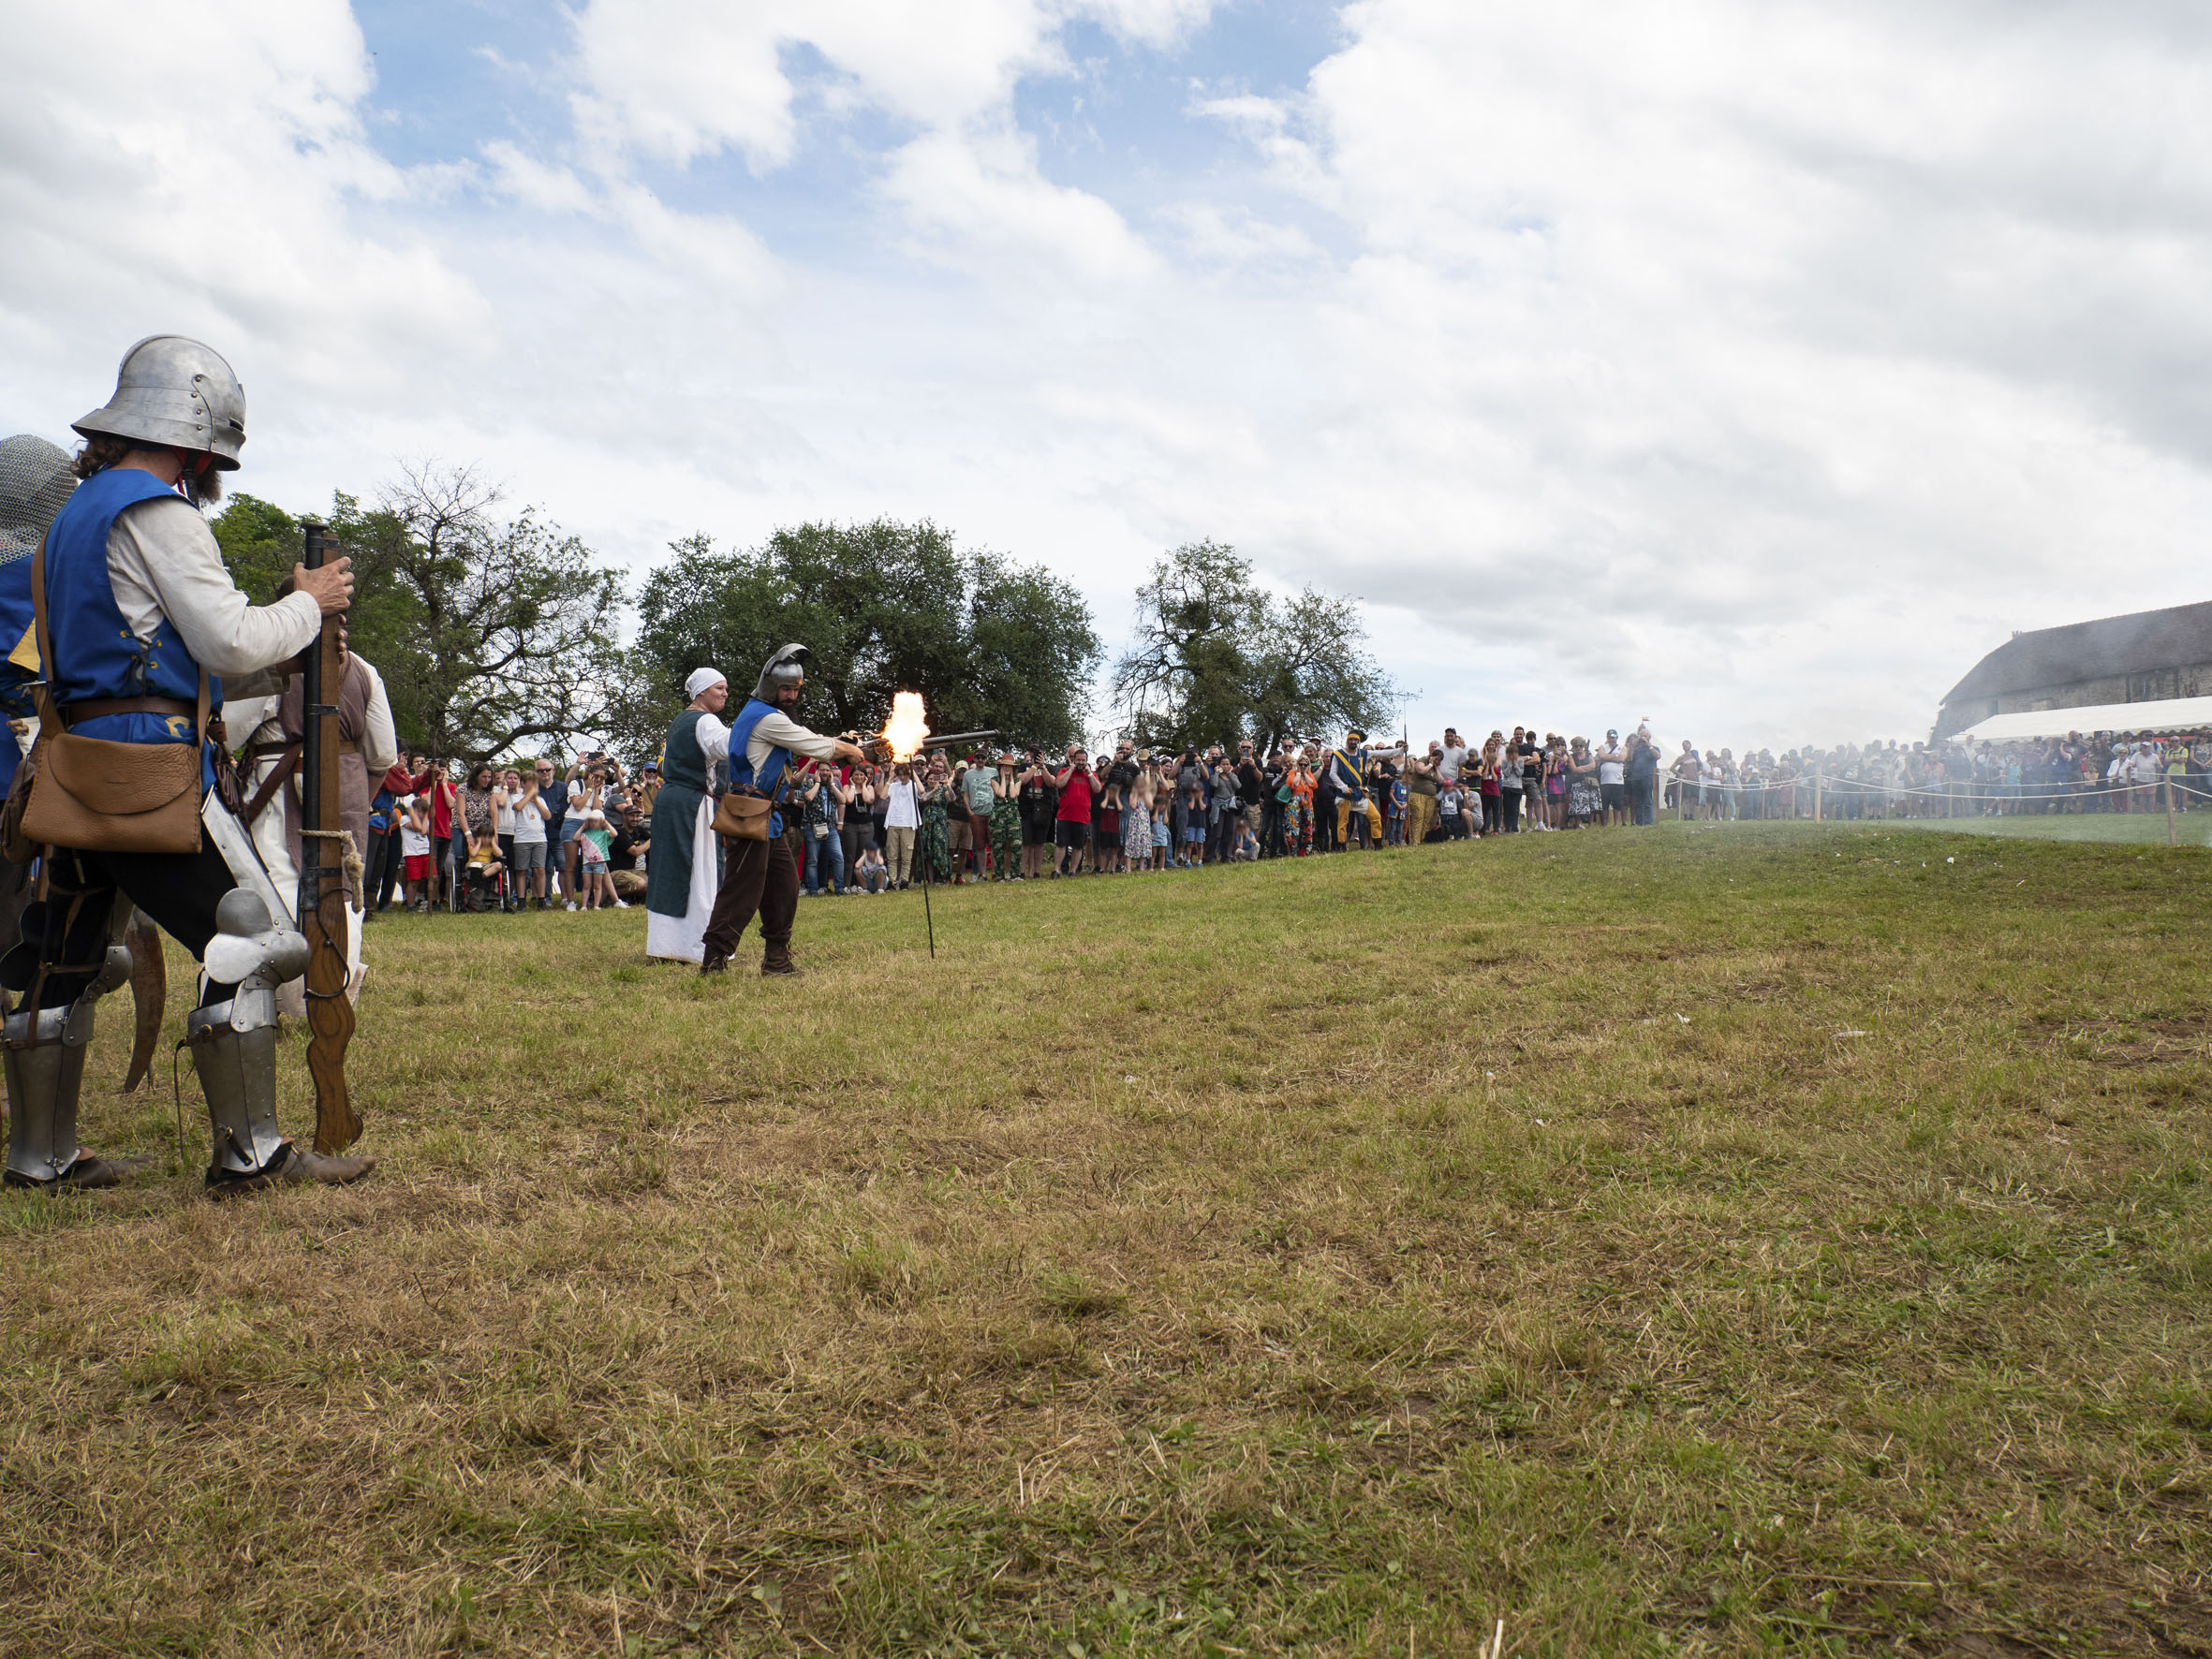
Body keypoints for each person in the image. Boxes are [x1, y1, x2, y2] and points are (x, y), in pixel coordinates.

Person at [6, 334, 371, 1192]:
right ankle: (251, 1155)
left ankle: (39, 1158)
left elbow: (163, 652)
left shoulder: (69, 520)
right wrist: (305, 605)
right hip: (146, 772)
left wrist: (281, 639)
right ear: (201, 435)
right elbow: (228, 636)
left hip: (72, 766)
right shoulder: (159, 513)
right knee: (261, 938)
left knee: (60, 957)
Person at [698, 644, 866, 976]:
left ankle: (776, 961)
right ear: (771, 687)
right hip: (749, 813)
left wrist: (844, 742)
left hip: (767, 815)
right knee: (741, 892)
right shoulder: (766, 717)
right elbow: (814, 745)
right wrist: (852, 750)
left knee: (784, 888)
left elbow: (807, 738)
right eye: (785, 688)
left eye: (795, 689)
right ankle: (713, 963)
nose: (790, 695)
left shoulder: (766, 714)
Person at [645, 668, 732, 962]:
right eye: (719, 688)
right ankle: (698, 946)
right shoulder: (706, 720)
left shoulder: (680, 720)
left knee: (669, 872)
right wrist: (758, 732)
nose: (725, 693)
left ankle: (665, 945)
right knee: (699, 874)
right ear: (702, 692)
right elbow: (728, 745)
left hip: (670, 801)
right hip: (691, 804)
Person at [883, 760, 920, 888]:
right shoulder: (894, 786)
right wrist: (891, 777)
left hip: (908, 824)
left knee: (906, 855)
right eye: (900, 774)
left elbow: (921, 790)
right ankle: (892, 881)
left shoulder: (913, 785)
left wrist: (914, 774)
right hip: (893, 822)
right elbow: (883, 795)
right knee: (892, 855)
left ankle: (904, 881)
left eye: (905, 774)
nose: (902, 777)